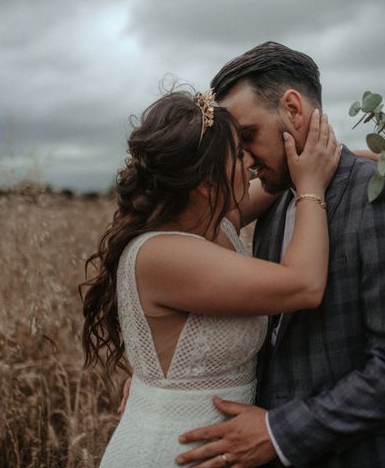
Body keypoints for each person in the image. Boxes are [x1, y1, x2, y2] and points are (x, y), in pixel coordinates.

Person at [175, 42, 385, 467]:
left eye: (247, 137)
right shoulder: (279, 200)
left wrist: (278, 432)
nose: (243, 160)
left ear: (293, 109)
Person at [80, 88, 341, 467]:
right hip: (170, 452)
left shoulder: (215, 222)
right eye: (238, 154)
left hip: (219, 450)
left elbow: (279, 176)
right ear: (205, 182)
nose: (251, 160)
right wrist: (311, 188)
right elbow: (304, 284)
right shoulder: (162, 254)